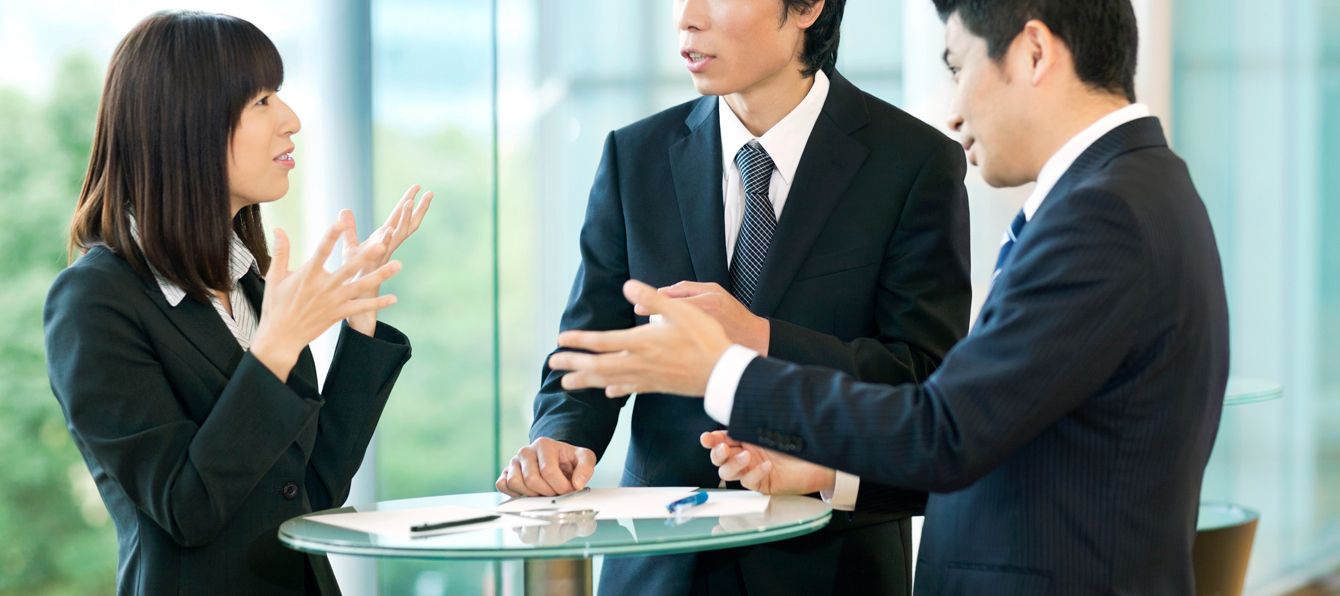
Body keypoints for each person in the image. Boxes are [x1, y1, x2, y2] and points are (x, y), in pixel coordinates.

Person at [548, 0, 1230, 594]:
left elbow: (944, 424)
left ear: (1033, 52)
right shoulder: (1133, 193)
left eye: (958, 67)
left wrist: (725, 368)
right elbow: (979, 431)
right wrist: (824, 470)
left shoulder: (1101, 216)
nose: (955, 110)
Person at [499, 0, 972, 593]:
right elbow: (590, 354)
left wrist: (760, 339)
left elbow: (924, 382)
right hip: (659, 565)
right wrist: (559, 440)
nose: (686, 17)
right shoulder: (635, 155)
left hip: (829, 567)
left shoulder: (914, 162)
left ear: (808, 8)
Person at [43, 11, 432, 595]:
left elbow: (311, 491)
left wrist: (359, 321)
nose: (291, 120)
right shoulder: (93, 302)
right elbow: (187, 508)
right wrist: (275, 350)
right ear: (187, 123)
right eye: (262, 101)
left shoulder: (249, 284)